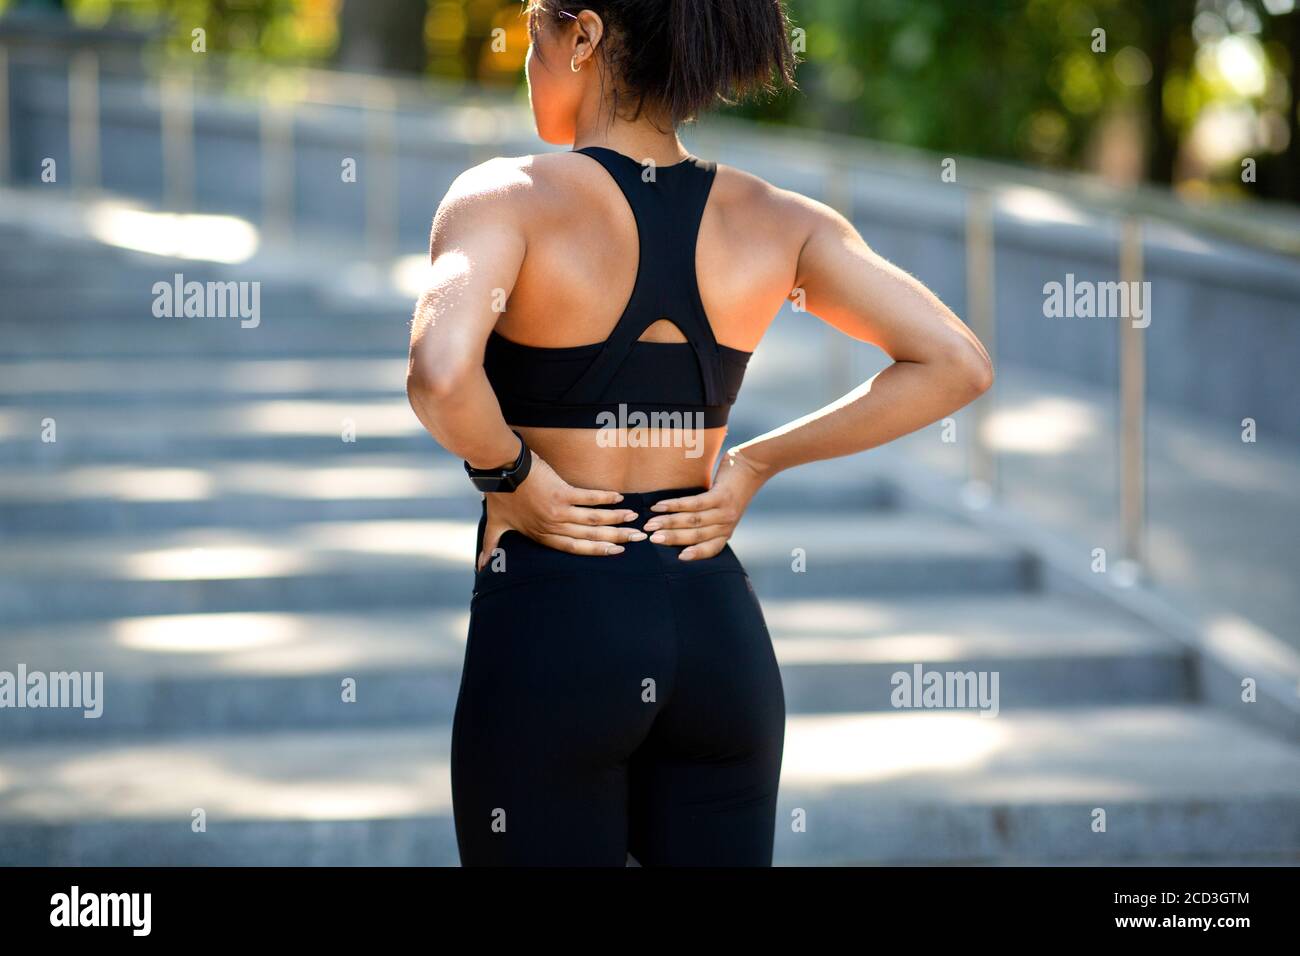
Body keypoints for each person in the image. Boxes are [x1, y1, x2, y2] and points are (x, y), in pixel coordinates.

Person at [406, 0, 993, 867]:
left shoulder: (507, 197)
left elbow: (440, 375)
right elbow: (956, 363)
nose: (530, 66)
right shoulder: (776, 218)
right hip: (717, 630)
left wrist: (512, 475)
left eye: (534, 40)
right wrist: (753, 463)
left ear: (585, 35)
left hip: (556, 621)